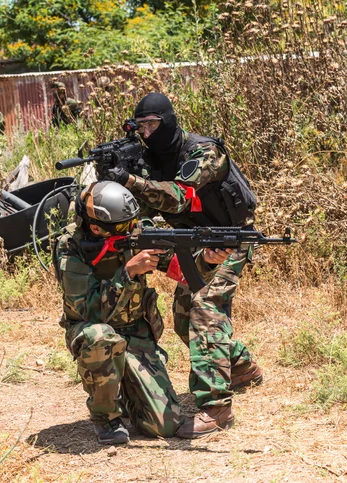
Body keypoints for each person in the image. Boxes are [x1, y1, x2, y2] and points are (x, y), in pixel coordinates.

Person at [98, 92, 263, 439]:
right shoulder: (151, 159)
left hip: (229, 237)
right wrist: (113, 183)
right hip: (194, 239)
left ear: (168, 120)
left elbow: (178, 196)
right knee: (185, 317)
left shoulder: (205, 152)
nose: (145, 132)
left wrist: (130, 180)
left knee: (205, 306)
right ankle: (241, 365)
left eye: (152, 124)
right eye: (139, 126)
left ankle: (216, 406)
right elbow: (140, 207)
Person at [53, 180, 232, 444]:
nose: (132, 230)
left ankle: (128, 392)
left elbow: (179, 269)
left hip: (136, 332)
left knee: (166, 426)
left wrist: (206, 260)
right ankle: (106, 418)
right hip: (93, 330)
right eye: (124, 227)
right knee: (100, 338)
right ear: (95, 227)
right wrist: (128, 273)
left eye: (133, 222)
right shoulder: (72, 246)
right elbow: (89, 309)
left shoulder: (138, 231)